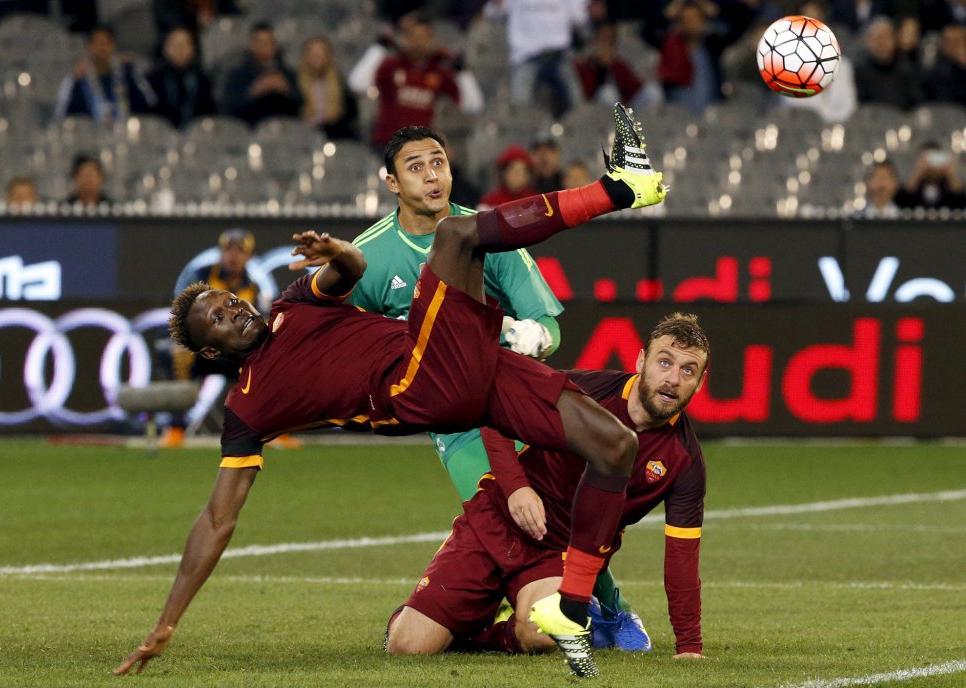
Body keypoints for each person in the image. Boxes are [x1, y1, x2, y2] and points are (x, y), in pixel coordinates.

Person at [114, 103, 668, 679]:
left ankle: (576, 607)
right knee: (457, 233)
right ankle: (618, 189)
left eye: (230, 301)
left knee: (615, 447)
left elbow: (353, 266)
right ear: (211, 351)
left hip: (483, 374)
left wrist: (337, 252)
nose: (234, 311)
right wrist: (166, 622)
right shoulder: (247, 409)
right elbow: (216, 520)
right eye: (218, 319)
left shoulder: (292, 304)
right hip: (421, 386)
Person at [350, 125, 651, 650]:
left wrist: (526, 335)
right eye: (416, 167)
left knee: (566, 509)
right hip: (456, 422)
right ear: (392, 183)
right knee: (503, 511)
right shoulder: (369, 258)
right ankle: (482, 610)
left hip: (516, 399)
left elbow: (548, 325)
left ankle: (608, 608)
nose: (432, 175)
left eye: (438, 162)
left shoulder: (492, 233)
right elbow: (350, 345)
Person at [385, 312, 709, 663]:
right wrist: (515, 487)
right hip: (497, 521)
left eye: (687, 371)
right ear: (642, 361)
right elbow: (495, 405)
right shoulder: (583, 392)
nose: (672, 379)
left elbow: (682, 559)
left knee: (543, 633)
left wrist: (689, 646)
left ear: (699, 383)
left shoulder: (684, 463)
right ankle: (453, 614)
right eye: (664, 362)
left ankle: (492, 632)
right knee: (407, 647)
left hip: (558, 556)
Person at [160, 229, 286, 448]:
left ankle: (272, 429)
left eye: (240, 251)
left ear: (249, 256)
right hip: (201, 351)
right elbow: (182, 318)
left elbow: (262, 324)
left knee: (272, 359)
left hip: (236, 355)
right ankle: (176, 427)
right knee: (177, 353)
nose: (233, 256)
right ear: (220, 252)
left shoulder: (255, 287)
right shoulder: (200, 278)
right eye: (229, 250)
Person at [347, 12, 484, 147]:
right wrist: (379, 47)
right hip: (386, 144)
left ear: (432, 39)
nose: (418, 42)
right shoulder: (391, 65)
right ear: (405, 38)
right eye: (413, 37)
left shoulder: (438, 72)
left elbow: (473, 105)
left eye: (424, 37)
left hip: (418, 148)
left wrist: (462, 71)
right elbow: (357, 84)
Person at [483, 0, 589, 118]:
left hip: (559, 54)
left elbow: (580, 17)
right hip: (525, 55)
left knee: (578, 107)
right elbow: (492, 12)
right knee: (519, 108)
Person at [54, 24, 156, 125]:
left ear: (113, 46)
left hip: (123, 130)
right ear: (89, 47)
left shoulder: (126, 73)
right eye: (98, 43)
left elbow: (148, 104)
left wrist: (131, 72)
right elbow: (62, 115)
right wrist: (75, 80)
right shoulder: (78, 78)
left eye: (106, 43)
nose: (102, 48)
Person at [222, 21, 302, 126]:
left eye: (269, 42)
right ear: (252, 45)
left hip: (284, 128)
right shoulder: (238, 74)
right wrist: (253, 91)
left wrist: (287, 90)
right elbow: (229, 108)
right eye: (261, 42)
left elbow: (301, 106)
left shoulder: (288, 73)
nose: (265, 46)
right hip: (251, 127)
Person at [146, 26, 218, 129]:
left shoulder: (203, 79)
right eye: (174, 44)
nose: (179, 49)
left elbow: (210, 114)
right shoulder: (152, 79)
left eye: (184, 44)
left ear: (193, 48)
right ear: (164, 48)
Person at [853, 16, 922, 111]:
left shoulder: (907, 69)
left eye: (885, 37)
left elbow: (917, 103)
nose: (881, 43)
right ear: (867, 42)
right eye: (876, 38)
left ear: (895, 40)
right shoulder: (859, 72)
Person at [297, 36, 359, 140]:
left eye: (322, 53)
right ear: (305, 56)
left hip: (335, 135)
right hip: (304, 137)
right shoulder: (295, 85)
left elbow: (350, 116)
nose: (318, 57)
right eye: (313, 53)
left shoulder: (340, 83)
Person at [573, 21, 645, 109]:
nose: (606, 44)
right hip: (596, 109)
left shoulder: (619, 64)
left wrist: (612, 65)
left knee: (652, 91)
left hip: (627, 107)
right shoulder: (585, 65)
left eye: (611, 40)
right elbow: (587, 93)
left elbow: (634, 89)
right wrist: (600, 65)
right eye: (604, 39)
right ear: (595, 41)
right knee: (608, 92)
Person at [896, 142, 966, 210]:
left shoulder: (949, 188)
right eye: (929, 158)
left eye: (937, 158)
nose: (933, 163)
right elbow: (902, 201)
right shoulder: (914, 188)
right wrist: (918, 172)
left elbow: (961, 202)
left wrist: (951, 174)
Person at [479, 144, 538, 209]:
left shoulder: (535, 200)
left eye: (522, 172)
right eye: (514, 171)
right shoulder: (490, 201)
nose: (518, 176)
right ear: (504, 173)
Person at [922, 23, 966, 106]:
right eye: (948, 42)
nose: (953, 46)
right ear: (942, 45)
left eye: (957, 41)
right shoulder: (934, 70)